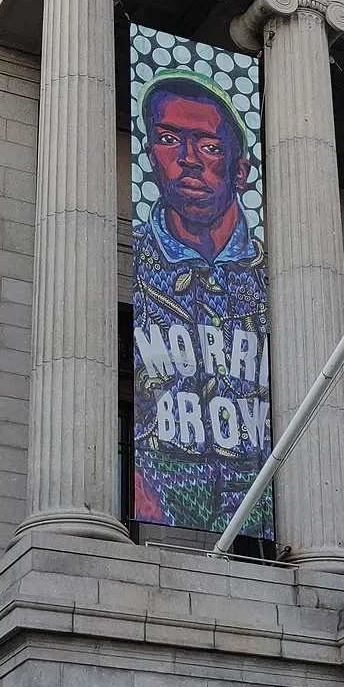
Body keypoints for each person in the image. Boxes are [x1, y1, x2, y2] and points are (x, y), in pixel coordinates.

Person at [131, 70, 268, 532]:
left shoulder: (270, 269)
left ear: (241, 169)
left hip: (261, 501)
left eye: (208, 147)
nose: (188, 160)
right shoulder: (142, 253)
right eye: (170, 139)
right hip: (158, 500)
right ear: (151, 154)